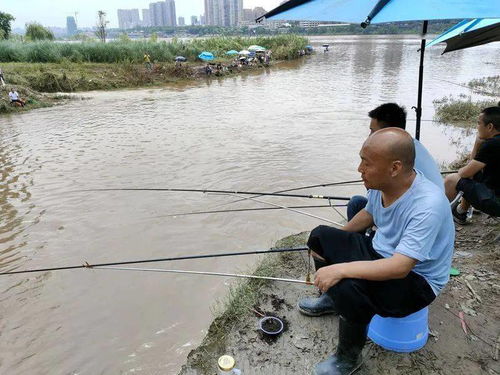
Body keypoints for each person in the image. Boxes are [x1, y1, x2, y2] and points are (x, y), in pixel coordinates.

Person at [300, 128, 454, 375]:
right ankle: (331, 299)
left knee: (348, 285)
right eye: (361, 159)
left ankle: (348, 357)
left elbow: (400, 267)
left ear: (395, 168)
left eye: (367, 163)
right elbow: (369, 213)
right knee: (320, 236)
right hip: (380, 251)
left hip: (416, 280)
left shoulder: (428, 204)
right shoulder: (382, 184)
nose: (360, 169)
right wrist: (337, 242)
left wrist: (338, 268)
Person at [347, 103, 444, 222]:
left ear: (387, 133)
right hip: (434, 207)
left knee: (356, 203)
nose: (369, 137)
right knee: (357, 203)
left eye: (373, 132)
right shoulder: (410, 145)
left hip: (416, 214)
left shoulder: (400, 160)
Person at [444, 106, 500, 223]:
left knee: (451, 179)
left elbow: (465, 173)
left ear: (490, 127)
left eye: (479, 123)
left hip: (496, 202)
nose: (477, 127)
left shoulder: (491, 145)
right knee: (476, 172)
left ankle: (443, 219)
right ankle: (460, 212)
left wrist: (477, 143)